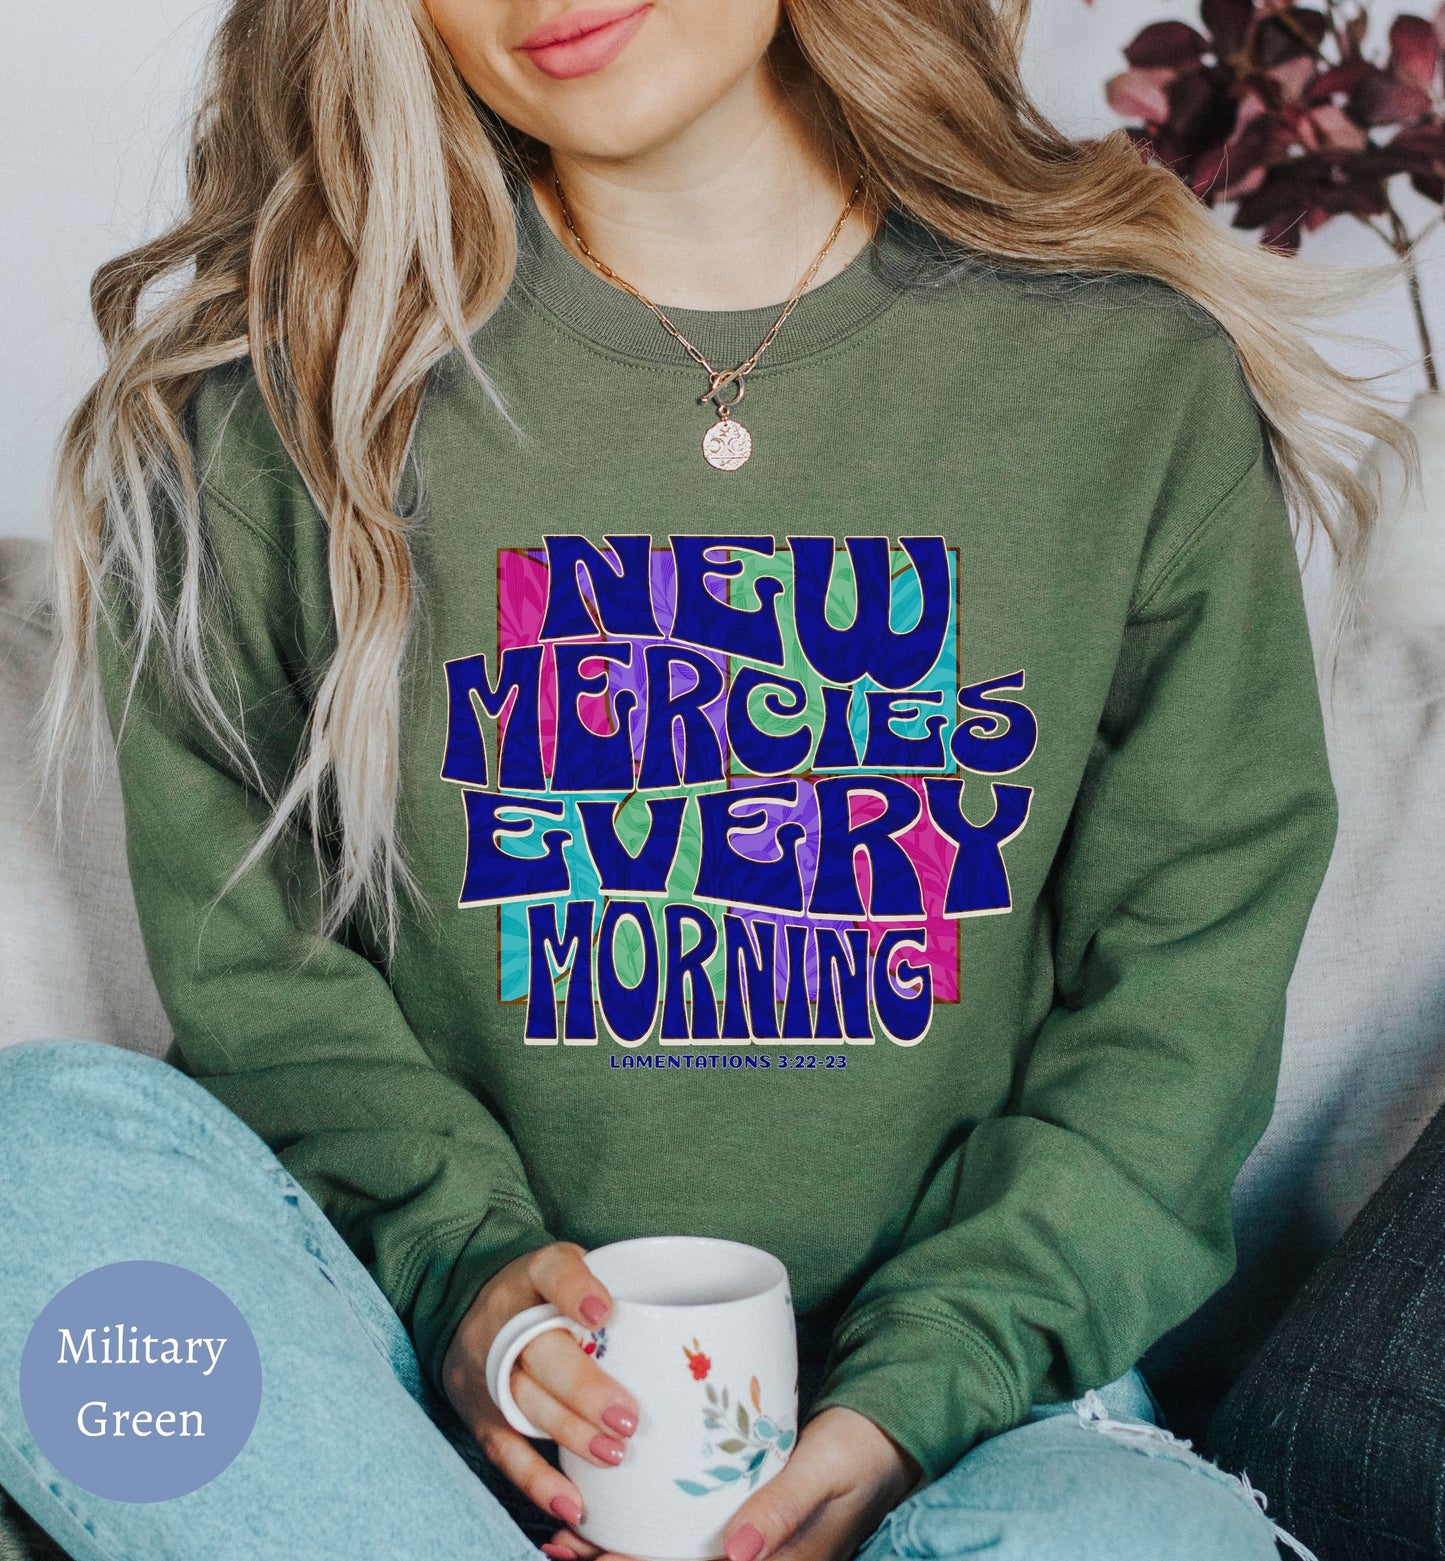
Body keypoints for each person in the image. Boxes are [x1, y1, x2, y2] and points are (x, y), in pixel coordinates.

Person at [0, 0, 1414, 1557]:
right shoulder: (286, 396)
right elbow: (257, 971)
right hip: (408, 1421)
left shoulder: (1117, 379)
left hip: (982, 1427)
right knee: (29, 1170)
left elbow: (1179, 989)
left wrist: (914, 1392)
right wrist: (466, 1275)